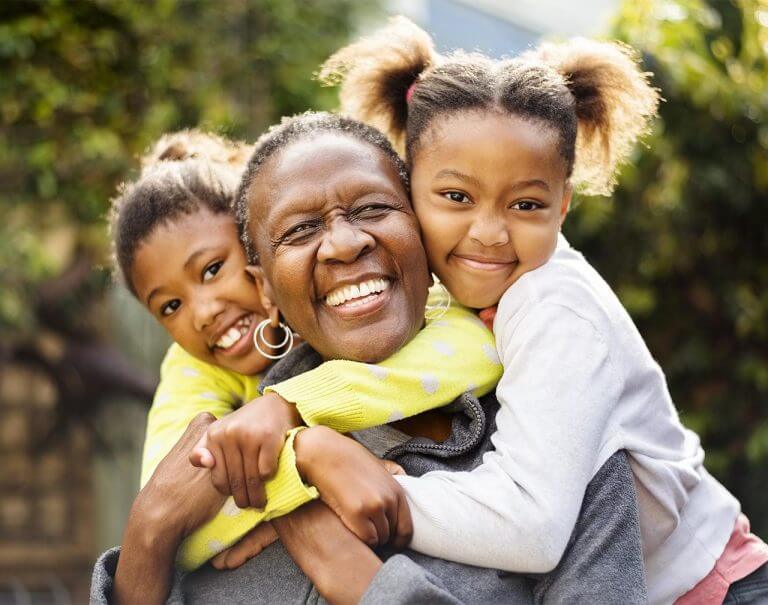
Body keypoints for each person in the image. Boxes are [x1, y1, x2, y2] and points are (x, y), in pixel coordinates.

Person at [91, 112, 648, 604]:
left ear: (424, 231)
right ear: (265, 288)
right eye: (301, 229)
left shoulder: (558, 447)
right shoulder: (230, 467)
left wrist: (364, 584)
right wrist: (150, 532)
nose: (343, 243)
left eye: (374, 208)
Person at [317, 16, 768, 604]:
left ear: (563, 206)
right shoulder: (438, 291)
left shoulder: (553, 306)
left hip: (715, 590)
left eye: (526, 204)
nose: (489, 233)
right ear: (406, 184)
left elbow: (532, 527)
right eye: (456, 197)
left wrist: (379, 490)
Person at [107, 130, 502, 571]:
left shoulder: (397, 297)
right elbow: (170, 504)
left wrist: (292, 408)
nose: (202, 312)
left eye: (214, 268)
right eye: (170, 306)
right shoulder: (192, 368)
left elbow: (479, 349)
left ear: (259, 248)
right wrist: (304, 471)